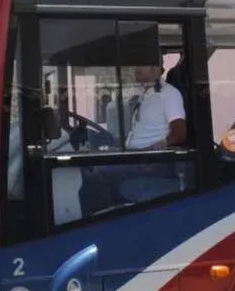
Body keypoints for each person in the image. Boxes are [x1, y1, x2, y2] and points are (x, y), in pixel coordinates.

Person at [77, 59, 187, 217]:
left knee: (96, 173)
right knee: (93, 160)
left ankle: (90, 224)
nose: (136, 68)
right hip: (134, 155)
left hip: (149, 162)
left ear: (155, 68)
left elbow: (180, 133)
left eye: (141, 64)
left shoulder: (169, 94)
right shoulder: (147, 94)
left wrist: (156, 147)